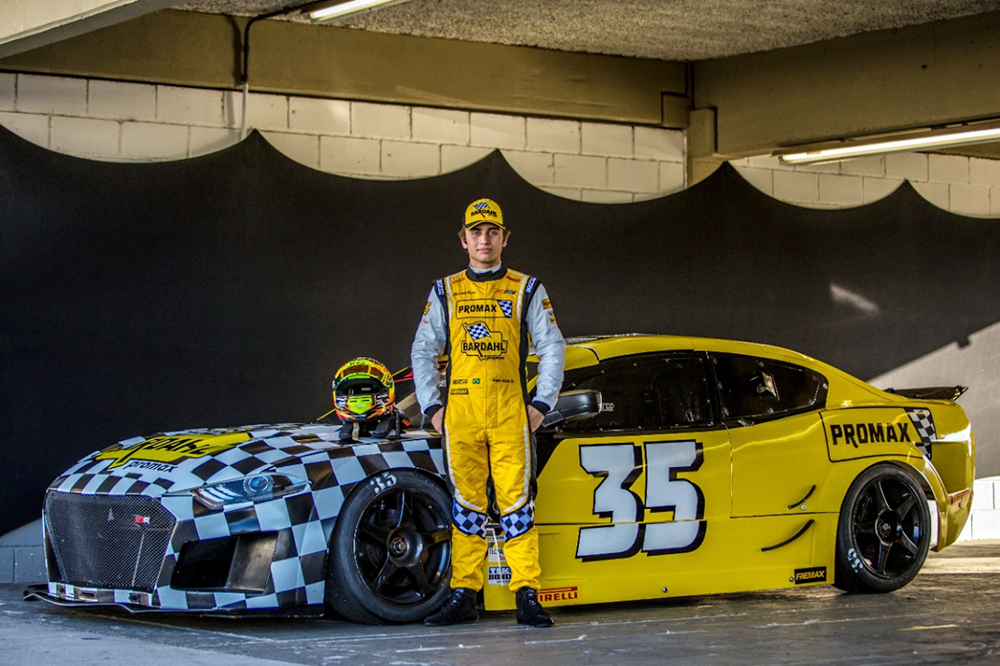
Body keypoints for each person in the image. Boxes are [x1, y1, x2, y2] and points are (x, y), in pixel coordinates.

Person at [411, 198, 565, 628]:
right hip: (460, 414)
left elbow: (552, 346)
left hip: (509, 412)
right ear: (464, 240)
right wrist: (432, 407)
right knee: (466, 506)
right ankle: (464, 594)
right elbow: (423, 350)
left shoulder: (526, 287)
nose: (484, 239)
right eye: (476, 232)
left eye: (492, 232)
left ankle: (527, 595)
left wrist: (541, 404)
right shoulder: (445, 289)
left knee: (518, 503)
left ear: (504, 238)